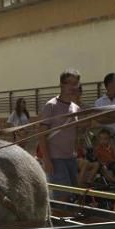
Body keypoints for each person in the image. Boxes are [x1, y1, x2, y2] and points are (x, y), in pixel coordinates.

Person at [39, 69, 82, 199]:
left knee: (73, 194)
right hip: (56, 158)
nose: (72, 87)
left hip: (71, 158)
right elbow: (41, 134)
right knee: (63, 196)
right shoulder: (51, 106)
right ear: (61, 85)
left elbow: (76, 133)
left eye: (75, 83)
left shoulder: (76, 108)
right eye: (69, 83)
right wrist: (46, 160)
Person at [94, 72, 115, 146]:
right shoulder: (98, 102)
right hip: (104, 143)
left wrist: (105, 114)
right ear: (109, 84)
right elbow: (98, 119)